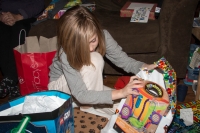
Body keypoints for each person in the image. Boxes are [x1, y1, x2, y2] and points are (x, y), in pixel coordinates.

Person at [48, 5, 157, 119]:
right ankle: (87, 111)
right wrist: (121, 92)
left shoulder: (103, 35)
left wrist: (147, 67)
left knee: (129, 109)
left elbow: (126, 62)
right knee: (94, 59)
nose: (90, 48)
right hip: (61, 93)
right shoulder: (66, 52)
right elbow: (81, 94)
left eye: (93, 40)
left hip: (83, 89)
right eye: (82, 45)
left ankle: (84, 108)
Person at [0, 0, 45, 99]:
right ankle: (10, 83)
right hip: (4, 17)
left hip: (26, 17)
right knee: (2, 31)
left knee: (20, 28)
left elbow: (39, 4)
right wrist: (2, 16)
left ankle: (10, 78)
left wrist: (18, 16)